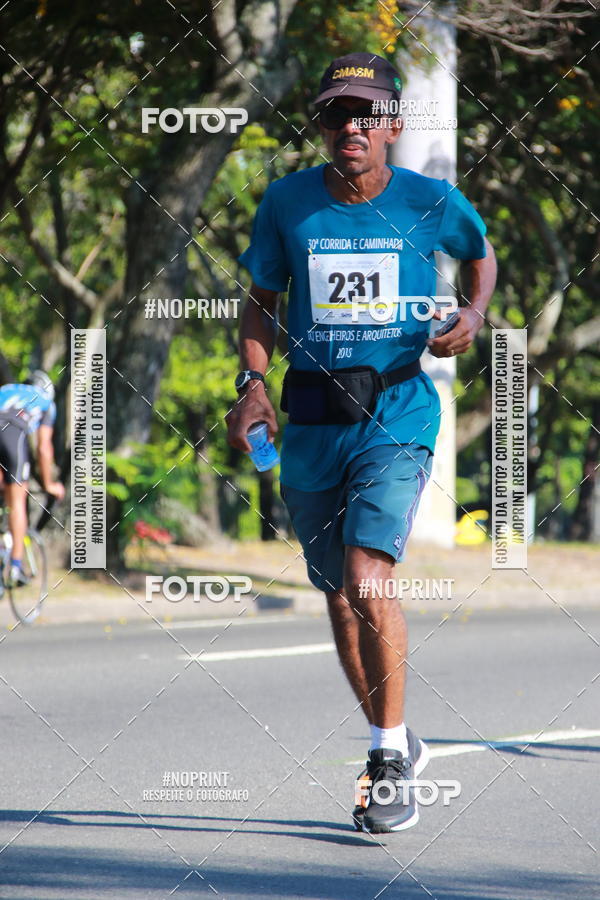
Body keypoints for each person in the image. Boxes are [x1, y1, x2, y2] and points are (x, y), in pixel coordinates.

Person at [227, 52, 497, 833]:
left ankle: (383, 762)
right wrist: (249, 386)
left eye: (366, 113)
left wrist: (472, 318)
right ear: (322, 125)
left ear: (393, 126)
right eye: (336, 114)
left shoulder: (429, 200)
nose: (350, 127)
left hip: (397, 412)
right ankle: (397, 736)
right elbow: (261, 303)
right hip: (310, 419)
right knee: (339, 598)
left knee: (366, 571)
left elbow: (478, 257)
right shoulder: (286, 203)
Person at [0, 370, 65, 586]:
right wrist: (49, 484)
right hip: (11, 436)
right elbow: (44, 448)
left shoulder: (7, 389)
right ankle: (16, 568)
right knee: (17, 502)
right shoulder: (47, 402)